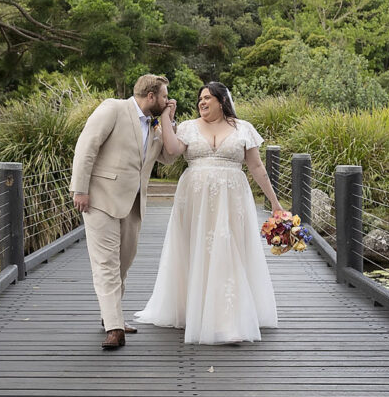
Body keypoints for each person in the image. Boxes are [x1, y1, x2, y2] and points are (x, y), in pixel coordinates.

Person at [135, 81, 281, 344]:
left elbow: (257, 167)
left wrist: (275, 203)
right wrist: (167, 118)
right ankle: (195, 309)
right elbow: (172, 150)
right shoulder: (189, 127)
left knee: (230, 249)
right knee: (196, 250)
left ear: (222, 100)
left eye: (207, 98)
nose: (202, 102)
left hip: (232, 199)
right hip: (194, 198)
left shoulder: (243, 128)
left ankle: (228, 320)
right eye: (200, 99)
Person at [70, 74, 178, 350]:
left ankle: (109, 315)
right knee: (106, 264)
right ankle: (115, 328)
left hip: (133, 203)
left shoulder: (154, 126)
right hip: (100, 199)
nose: (167, 101)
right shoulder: (113, 109)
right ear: (151, 96)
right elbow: (87, 146)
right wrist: (79, 189)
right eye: (165, 97)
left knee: (123, 263)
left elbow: (169, 156)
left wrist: (168, 119)